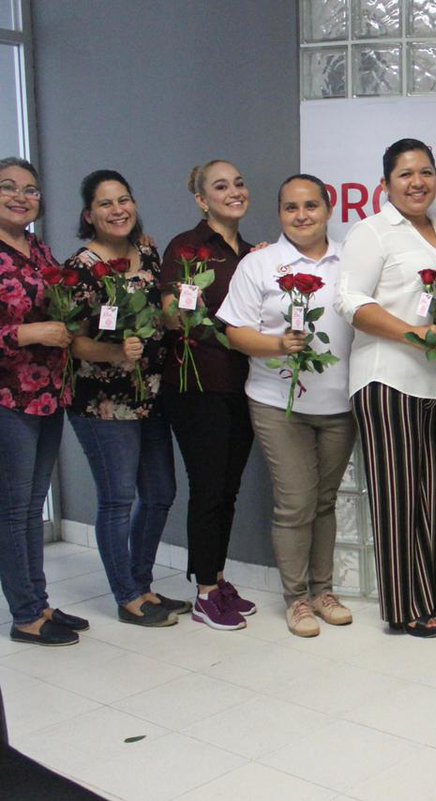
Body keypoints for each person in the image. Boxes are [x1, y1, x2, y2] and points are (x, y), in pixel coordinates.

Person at [337, 139, 436, 639]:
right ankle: (404, 604)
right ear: (386, 183)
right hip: (385, 378)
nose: (418, 182)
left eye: (426, 172)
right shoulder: (372, 232)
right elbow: (349, 300)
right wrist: (413, 334)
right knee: (397, 498)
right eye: (405, 174)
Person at [220, 175, 356, 638]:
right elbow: (235, 333)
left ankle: (323, 591)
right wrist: (279, 345)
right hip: (279, 403)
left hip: (340, 404)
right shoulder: (260, 265)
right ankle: (296, 598)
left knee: (323, 501)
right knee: (295, 503)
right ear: (279, 212)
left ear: (328, 207)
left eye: (311, 206)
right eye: (291, 207)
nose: (302, 216)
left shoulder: (350, 261)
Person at [64, 169, 182, 627]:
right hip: (103, 402)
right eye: (106, 204)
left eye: (124, 200)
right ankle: (127, 595)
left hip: (150, 394)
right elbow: (73, 342)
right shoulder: (79, 268)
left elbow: (165, 310)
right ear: (88, 215)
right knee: (117, 499)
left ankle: (143, 584)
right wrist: (115, 350)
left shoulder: (148, 251)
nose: (118, 210)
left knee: (160, 494)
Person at [158, 160, 256, 630]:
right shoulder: (187, 247)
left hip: (243, 384)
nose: (233, 191)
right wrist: (184, 306)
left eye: (238, 183)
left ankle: (216, 575)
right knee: (209, 489)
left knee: (228, 488)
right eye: (221, 186)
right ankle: (204, 592)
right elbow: (169, 316)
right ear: (202, 200)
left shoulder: (252, 253)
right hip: (197, 385)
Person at [0, 156, 91, 646]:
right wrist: (24, 331)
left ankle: (38, 598)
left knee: (32, 504)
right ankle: (25, 615)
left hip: (48, 393)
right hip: (8, 397)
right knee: (14, 510)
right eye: (8, 187)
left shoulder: (37, 248)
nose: (21, 196)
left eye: (30, 189)